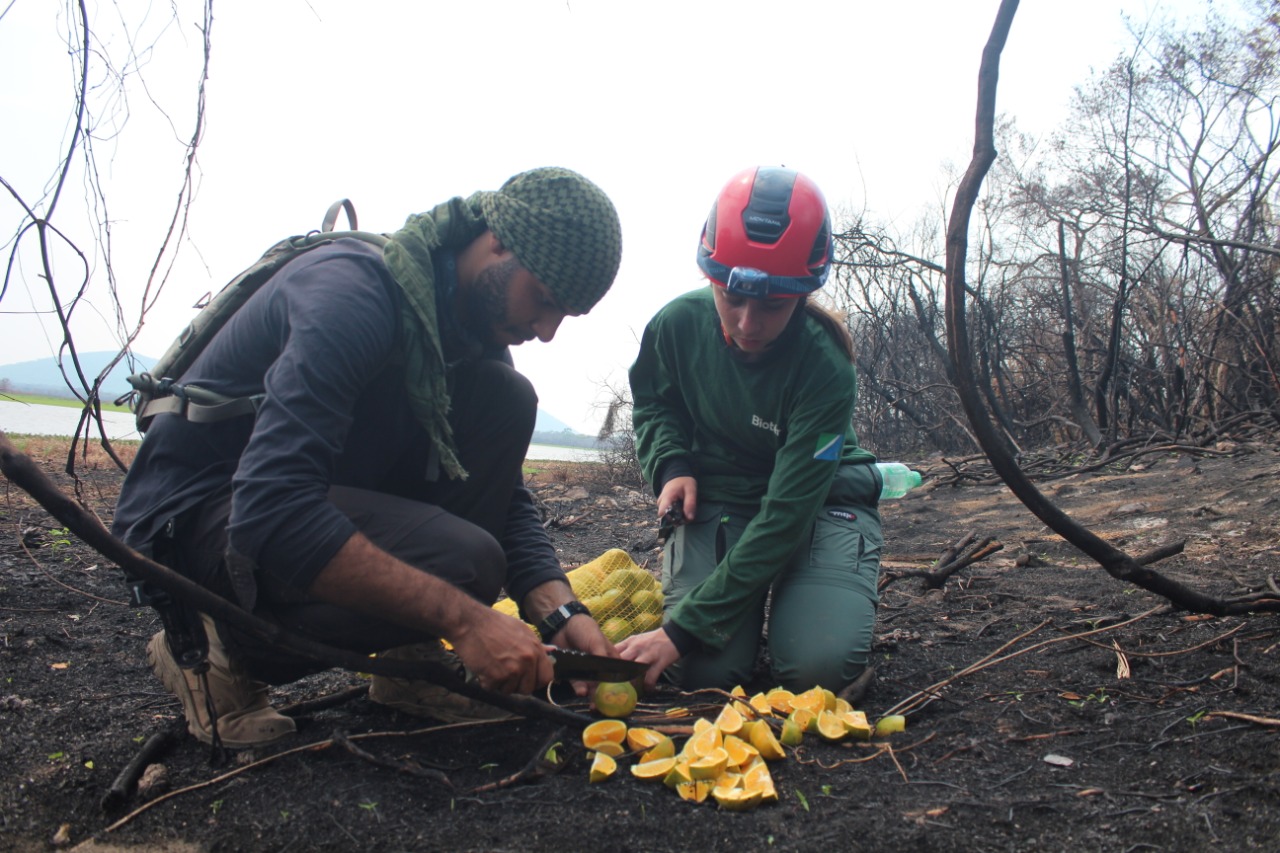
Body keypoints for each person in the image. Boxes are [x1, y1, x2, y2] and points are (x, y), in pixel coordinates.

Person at [113, 166, 623, 748]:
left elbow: (502, 494)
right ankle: (213, 648)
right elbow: (272, 507)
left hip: (286, 500)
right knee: (469, 563)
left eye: (566, 316)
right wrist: (466, 620)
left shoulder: (464, 331)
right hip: (200, 524)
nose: (547, 329)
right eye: (546, 300)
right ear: (498, 242)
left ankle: (411, 662)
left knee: (505, 399)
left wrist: (560, 611)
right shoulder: (352, 296)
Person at [616, 166, 883, 695]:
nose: (745, 323)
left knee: (815, 674)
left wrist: (682, 628)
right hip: (725, 500)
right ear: (711, 278)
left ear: (803, 293)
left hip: (817, 504)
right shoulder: (675, 326)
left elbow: (786, 512)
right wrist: (671, 465)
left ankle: (807, 602)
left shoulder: (825, 367)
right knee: (698, 675)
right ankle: (745, 617)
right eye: (730, 298)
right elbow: (654, 403)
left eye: (772, 305)